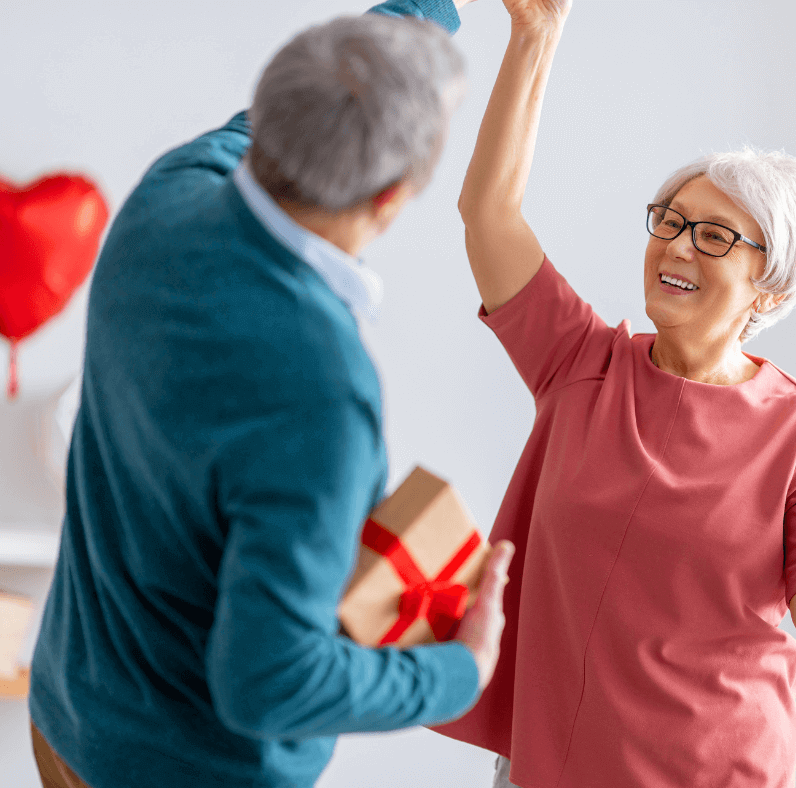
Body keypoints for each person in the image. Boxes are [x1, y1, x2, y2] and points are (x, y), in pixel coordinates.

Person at [429, 0, 796, 786]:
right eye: (668, 220)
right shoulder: (579, 363)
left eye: (713, 235)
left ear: (769, 290)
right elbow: (487, 213)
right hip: (547, 768)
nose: (674, 245)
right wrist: (536, 37)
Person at [26, 2, 515, 788]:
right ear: (391, 199)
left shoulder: (169, 190)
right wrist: (461, 671)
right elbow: (269, 682)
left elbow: (308, 105)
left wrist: (421, 15)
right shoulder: (322, 391)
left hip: (68, 720)